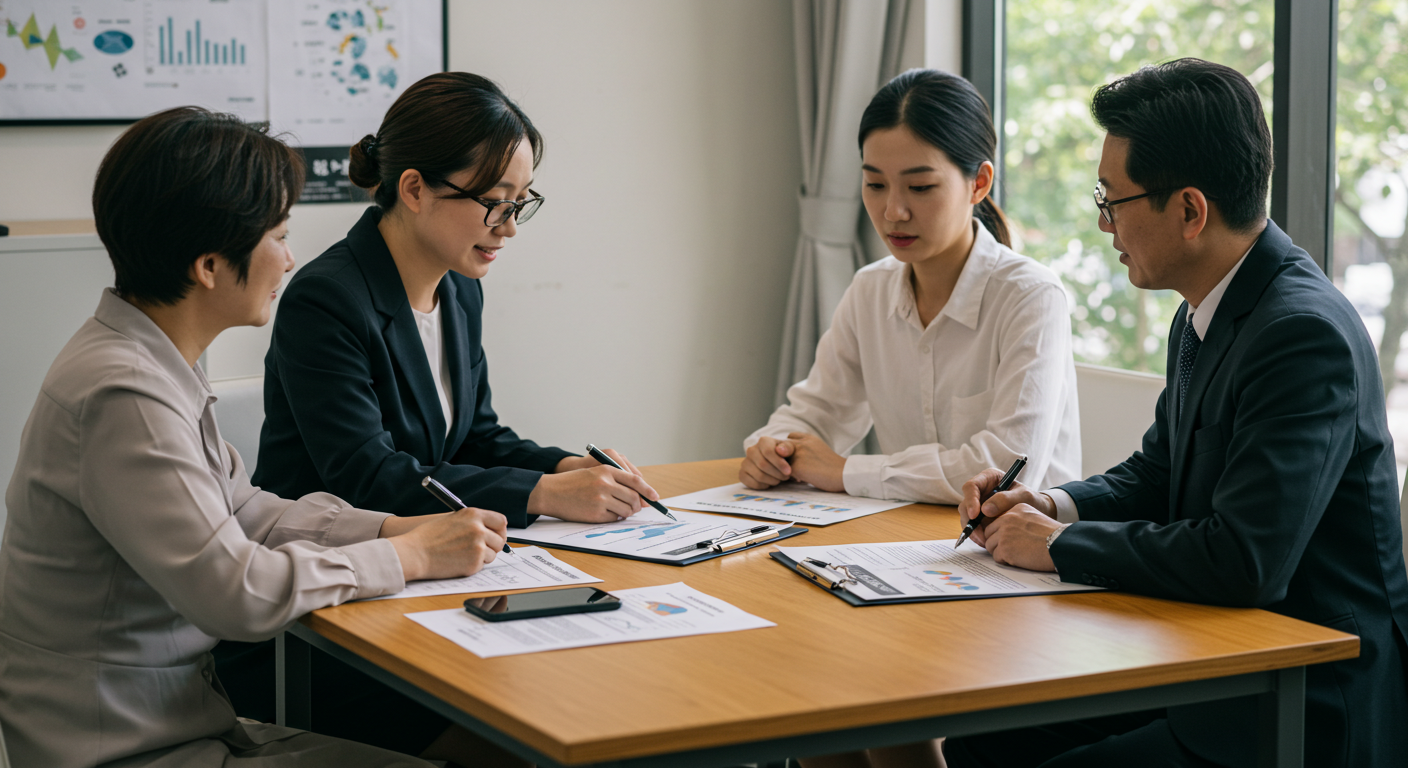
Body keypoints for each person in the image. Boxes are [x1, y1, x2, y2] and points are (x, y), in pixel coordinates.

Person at [0, 107, 516, 768]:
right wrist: (409, 559)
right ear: (211, 264)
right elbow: (235, 592)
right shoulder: (122, 393)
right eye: (277, 234)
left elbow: (245, 511)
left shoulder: (149, 359)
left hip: (181, 722)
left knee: (485, 746)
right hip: (133, 749)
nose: (290, 257)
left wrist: (391, 532)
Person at [949, 59, 1408, 767]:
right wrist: (1049, 503)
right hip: (1213, 663)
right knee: (983, 743)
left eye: (1112, 200)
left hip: (1304, 701)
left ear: (1190, 210)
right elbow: (1159, 471)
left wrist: (1058, 548)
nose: (1104, 224)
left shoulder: (1300, 333)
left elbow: (1245, 560)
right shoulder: (1208, 307)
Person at [216, 71, 660, 757]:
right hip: (328, 622)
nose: (509, 227)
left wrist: (569, 466)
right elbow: (367, 476)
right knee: (529, 734)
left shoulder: (457, 289)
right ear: (415, 188)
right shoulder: (326, 299)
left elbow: (477, 435)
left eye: (521, 202)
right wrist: (544, 492)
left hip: (428, 591)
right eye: (493, 203)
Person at [740, 69, 1079, 505]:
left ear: (978, 182)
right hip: (903, 545)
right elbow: (818, 413)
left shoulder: (1030, 295)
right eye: (875, 184)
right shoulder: (870, 290)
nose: (893, 211)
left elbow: (1007, 468)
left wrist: (846, 471)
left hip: (1019, 555)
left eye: (920, 187)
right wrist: (772, 449)